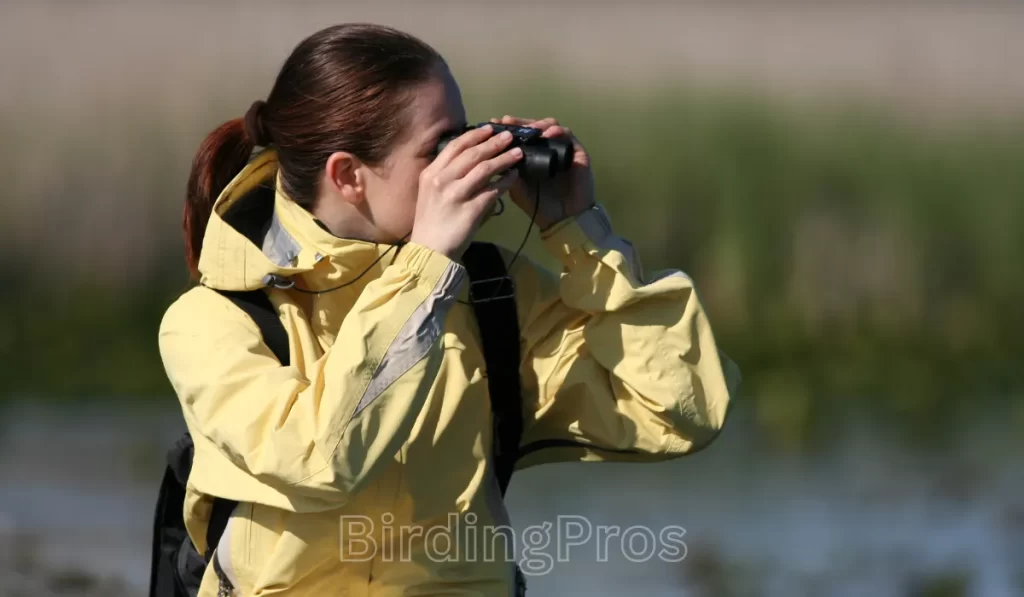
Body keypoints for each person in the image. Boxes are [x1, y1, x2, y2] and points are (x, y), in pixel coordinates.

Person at [158, 22, 741, 597]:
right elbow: (317, 459)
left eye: (468, 136)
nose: (467, 164)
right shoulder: (216, 321)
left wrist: (581, 234)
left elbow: (679, 411)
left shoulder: (487, 295)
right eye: (440, 149)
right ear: (348, 176)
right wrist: (425, 269)